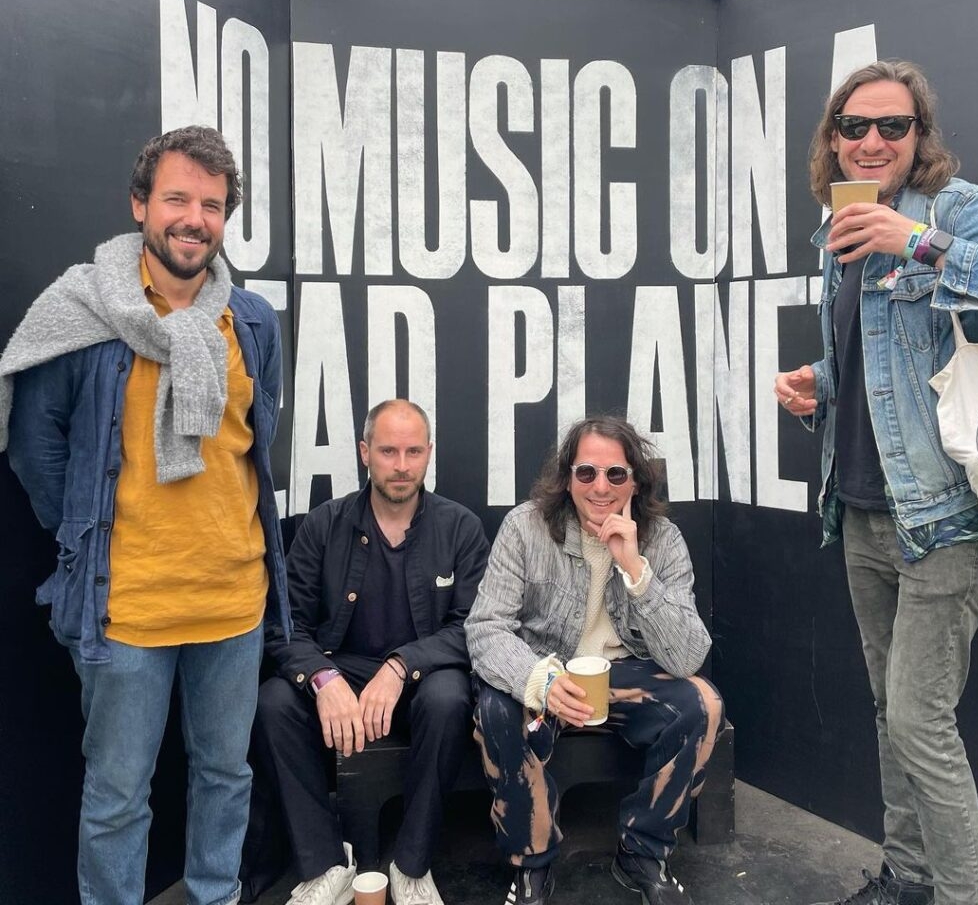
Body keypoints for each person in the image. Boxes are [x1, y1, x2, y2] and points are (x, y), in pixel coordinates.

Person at [0, 125, 290, 905]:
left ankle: (215, 895)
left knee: (226, 777)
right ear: (140, 204)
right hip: (123, 606)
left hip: (233, 601)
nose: (195, 218)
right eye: (178, 199)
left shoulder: (253, 320)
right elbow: (36, 446)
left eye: (213, 204)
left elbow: (255, 441)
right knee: (119, 796)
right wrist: (96, 533)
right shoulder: (83, 312)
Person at [775, 60, 978, 905]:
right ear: (832, 140)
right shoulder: (835, 234)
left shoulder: (959, 211)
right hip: (861, 510)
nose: (873, 140)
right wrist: (819, 381)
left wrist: (914, 241)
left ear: (921, 137)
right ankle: (906, 877)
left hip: (945, 517)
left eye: (893, 125)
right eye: (856, 127)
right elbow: (882, 367)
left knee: (922, 722)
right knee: (891, 712)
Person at [465, 416, 724, 905]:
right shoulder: (525, 527)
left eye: (615, 475)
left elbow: (689, 655)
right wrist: (537, 678)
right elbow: (485, 628)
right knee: (497, 709)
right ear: (567, 478)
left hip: (623, 675)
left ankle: (642, 854)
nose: (600, 487)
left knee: (703, 703)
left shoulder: (663, 540)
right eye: (587, 473)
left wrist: (635, 569)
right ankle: (532, 866)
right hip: (544, 671)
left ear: (635, 480)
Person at [246, 399, 490, 905]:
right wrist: (322, 680)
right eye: (388, 451)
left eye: (413, 451)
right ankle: (325, 865)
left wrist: (402, 666)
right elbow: (284, 626)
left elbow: (474, 628)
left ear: (429, 454)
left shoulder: (459, 527)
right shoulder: (324, 525)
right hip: (342, 675)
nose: (401, 465)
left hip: (420, 681)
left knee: (449, 696)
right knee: (273, 701)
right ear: (364, 453)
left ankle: (412, 866)